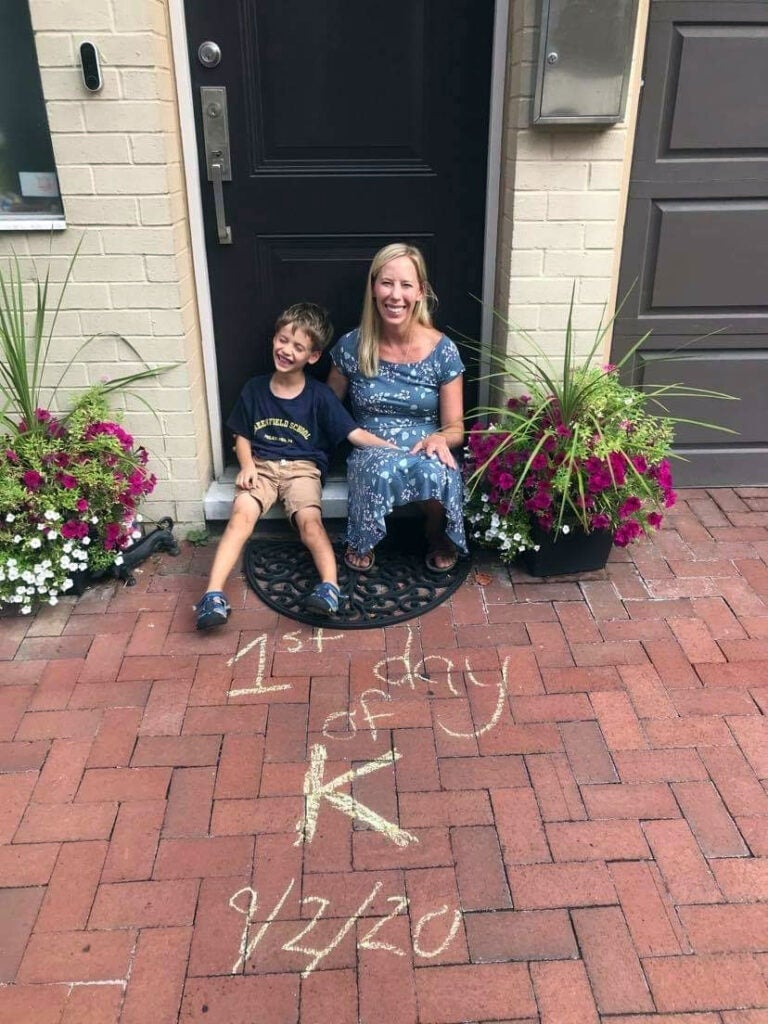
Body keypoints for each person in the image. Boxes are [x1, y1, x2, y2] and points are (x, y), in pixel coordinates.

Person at [195, 302, 394, 628]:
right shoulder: (254, 389)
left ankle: (329, 586)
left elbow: (354, 433)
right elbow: (242, 435)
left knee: (310, 523)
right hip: (261, 466)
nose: (286, 350)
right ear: (274, 338)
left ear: (312, 356)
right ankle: (212, 594)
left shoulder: (319, 396)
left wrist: (395, 449)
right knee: (241, 516)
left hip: (303, 468)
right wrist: (246, 465)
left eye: (298, 346)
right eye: (283, 340)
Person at [327, 243, 468, 573]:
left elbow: (456, 428)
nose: (395, 295)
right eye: (387, 283)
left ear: (420, 292)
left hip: (425, 443)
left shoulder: (443, 350)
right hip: (372, 445)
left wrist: (440, 440)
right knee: (380, 468)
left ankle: (435, 531)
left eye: (406, 285)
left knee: (437, 470)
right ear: (374, 287)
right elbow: (327, 409)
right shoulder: (352, 345)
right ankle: (364, 537)